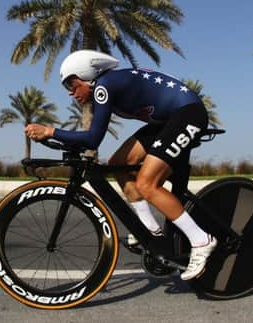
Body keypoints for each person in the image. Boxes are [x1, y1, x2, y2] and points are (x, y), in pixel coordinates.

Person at [24, 50, 217, 280]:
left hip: (188, 114)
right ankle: (150, 230)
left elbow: (93, 138)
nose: (70, 92)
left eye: (72, 84)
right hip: (167, 121)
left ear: (88, 77)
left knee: (147, 183)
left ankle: (201, 240)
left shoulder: (104, 87)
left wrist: (50, 131)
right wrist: (54, 136)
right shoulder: (104, 87)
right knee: (118, 164)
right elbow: (92, 136)